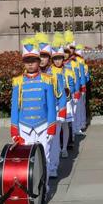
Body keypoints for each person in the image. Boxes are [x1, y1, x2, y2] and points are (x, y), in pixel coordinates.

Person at [10, 38, 57, 181]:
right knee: (26, 161)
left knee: (45, 159)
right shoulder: (17, 81)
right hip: (24, 128)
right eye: (27, 60)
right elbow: (14, 108)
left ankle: (44, 189)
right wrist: (14, 129)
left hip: (42, 127)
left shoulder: (47, 80)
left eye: (33, 60)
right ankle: (30, 190)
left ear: (39, 61)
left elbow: (50, 106)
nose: (30, 63)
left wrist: (51, 127)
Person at [46, 36, 68, 178]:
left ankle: (53, 166)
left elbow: (61, 93)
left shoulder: (56, 74)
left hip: (54, 111)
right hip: (41, 113)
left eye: (44, 57)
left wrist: (61, 112)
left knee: (53, 142)